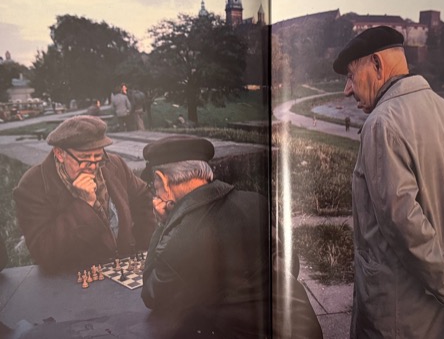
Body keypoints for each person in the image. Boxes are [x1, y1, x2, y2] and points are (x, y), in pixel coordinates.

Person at [333, 26, 444, 338]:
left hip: (401, 318)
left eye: (351, 76)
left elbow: (402, 222)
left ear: (377, 65)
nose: (346, 90)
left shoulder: (382, 123)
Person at [140, 135, 322, 338]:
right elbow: (291, 263)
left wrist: (163, 224)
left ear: (163, 180)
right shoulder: (255, 201)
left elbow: (152, 296)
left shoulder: (182, 239)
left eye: (153, 185)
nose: (155, 193)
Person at [13, 115, 156, 271]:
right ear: (60, 154)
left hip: (122, 269)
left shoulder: (113, 163)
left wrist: (144, 244)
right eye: (84, 158)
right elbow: (43, 252)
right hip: (74, 279)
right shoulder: (33, 185)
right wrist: (83, 205)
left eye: (98, 157)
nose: (93, 167)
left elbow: (143, 196)